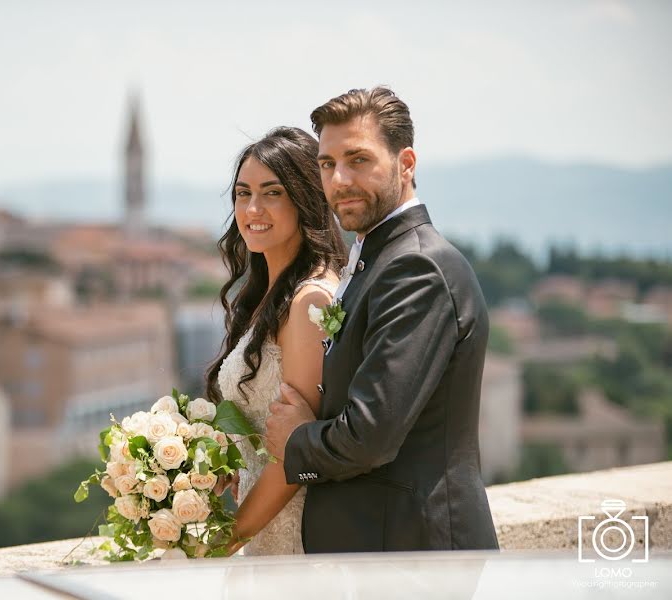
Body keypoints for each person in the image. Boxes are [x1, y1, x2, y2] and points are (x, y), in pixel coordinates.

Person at [265, 87, 500, 552]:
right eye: (328, 164)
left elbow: (369, 438)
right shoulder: (377, 257)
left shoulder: (418, 268)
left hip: (414, 558)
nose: (339, 180)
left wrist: (295, 445)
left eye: (358, 160)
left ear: (406, 164)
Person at [204, 126, 346, 555]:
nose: (252, 208)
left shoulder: (309, 301)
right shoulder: (271, 289)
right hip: (259, 526)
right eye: (243, 193)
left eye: (271, 193)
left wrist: (224, 540)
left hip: (290, 537)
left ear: (305, 198)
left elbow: (294, 455)